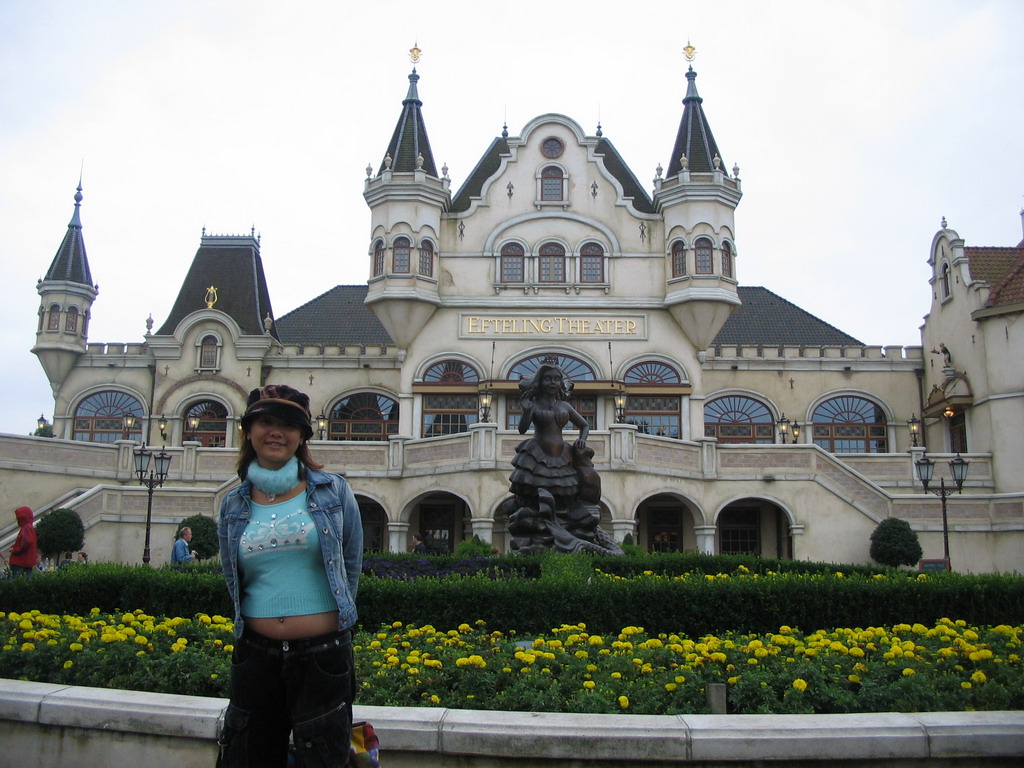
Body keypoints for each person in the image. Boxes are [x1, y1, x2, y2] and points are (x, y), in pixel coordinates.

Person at [217, 384, 363, 768]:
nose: (276, 432)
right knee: (248, 757)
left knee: (326, 759)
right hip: (255, 655)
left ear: (303, 435)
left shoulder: (334, 492)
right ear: (249, 431)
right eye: (266, 422)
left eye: (288, 424)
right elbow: (234, 577)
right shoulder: (233, 503)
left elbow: (350, 565)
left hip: (323, 655)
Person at [9, 506, 38, 578]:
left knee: (15, 584)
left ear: (22, 517)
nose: (17, 519)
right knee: (26, 584)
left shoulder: (26, 528)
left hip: (20, 561)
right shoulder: (30, 527)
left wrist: (14, 549)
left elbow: (25, 542)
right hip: (27, 562)